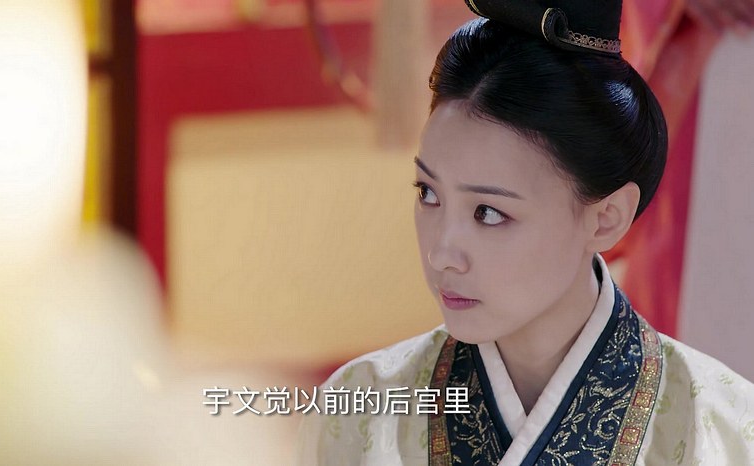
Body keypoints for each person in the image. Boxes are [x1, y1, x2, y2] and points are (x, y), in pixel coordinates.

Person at [295, 1, 754, 465]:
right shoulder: (359, 412)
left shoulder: (726, 429)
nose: (441, 254)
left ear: (606, 218)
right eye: (428, 194)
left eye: (488, 213)